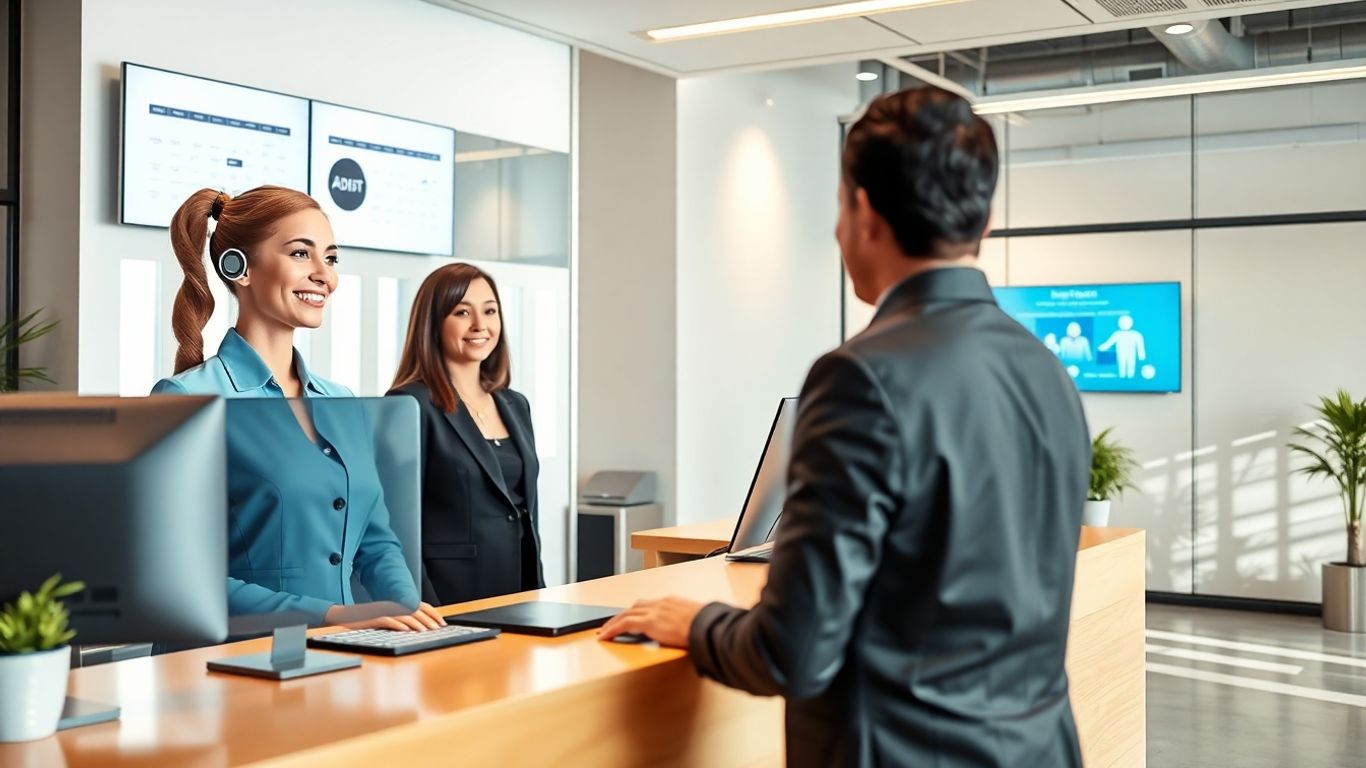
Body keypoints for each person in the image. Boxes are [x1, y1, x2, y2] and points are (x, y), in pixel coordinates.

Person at [599, 87, 1091, 767]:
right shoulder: (1046, 371)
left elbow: (791, 651)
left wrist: (696, 620)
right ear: (985, 218)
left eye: (836, 206)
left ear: (861, 211)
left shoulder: (861, 376)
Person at [153, 185, 444, 633]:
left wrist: (405, 612)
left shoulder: (342, 402)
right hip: (233, 666)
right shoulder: (188, 400)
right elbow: (176, 576)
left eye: (330, 258)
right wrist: (334, 616)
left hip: (343, 658)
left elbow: (375, 539)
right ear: (239, 267)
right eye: (300, 254)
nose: (324, 276)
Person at [388, 263, 545, 606]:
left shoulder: (515, 405)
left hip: (521, 590)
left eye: (490, 311)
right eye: (462, 312)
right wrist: (420, 604)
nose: (480, 325)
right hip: (448, 598)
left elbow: (522, 511)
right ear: (434, 323)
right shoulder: (409, 404)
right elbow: (396, 523)